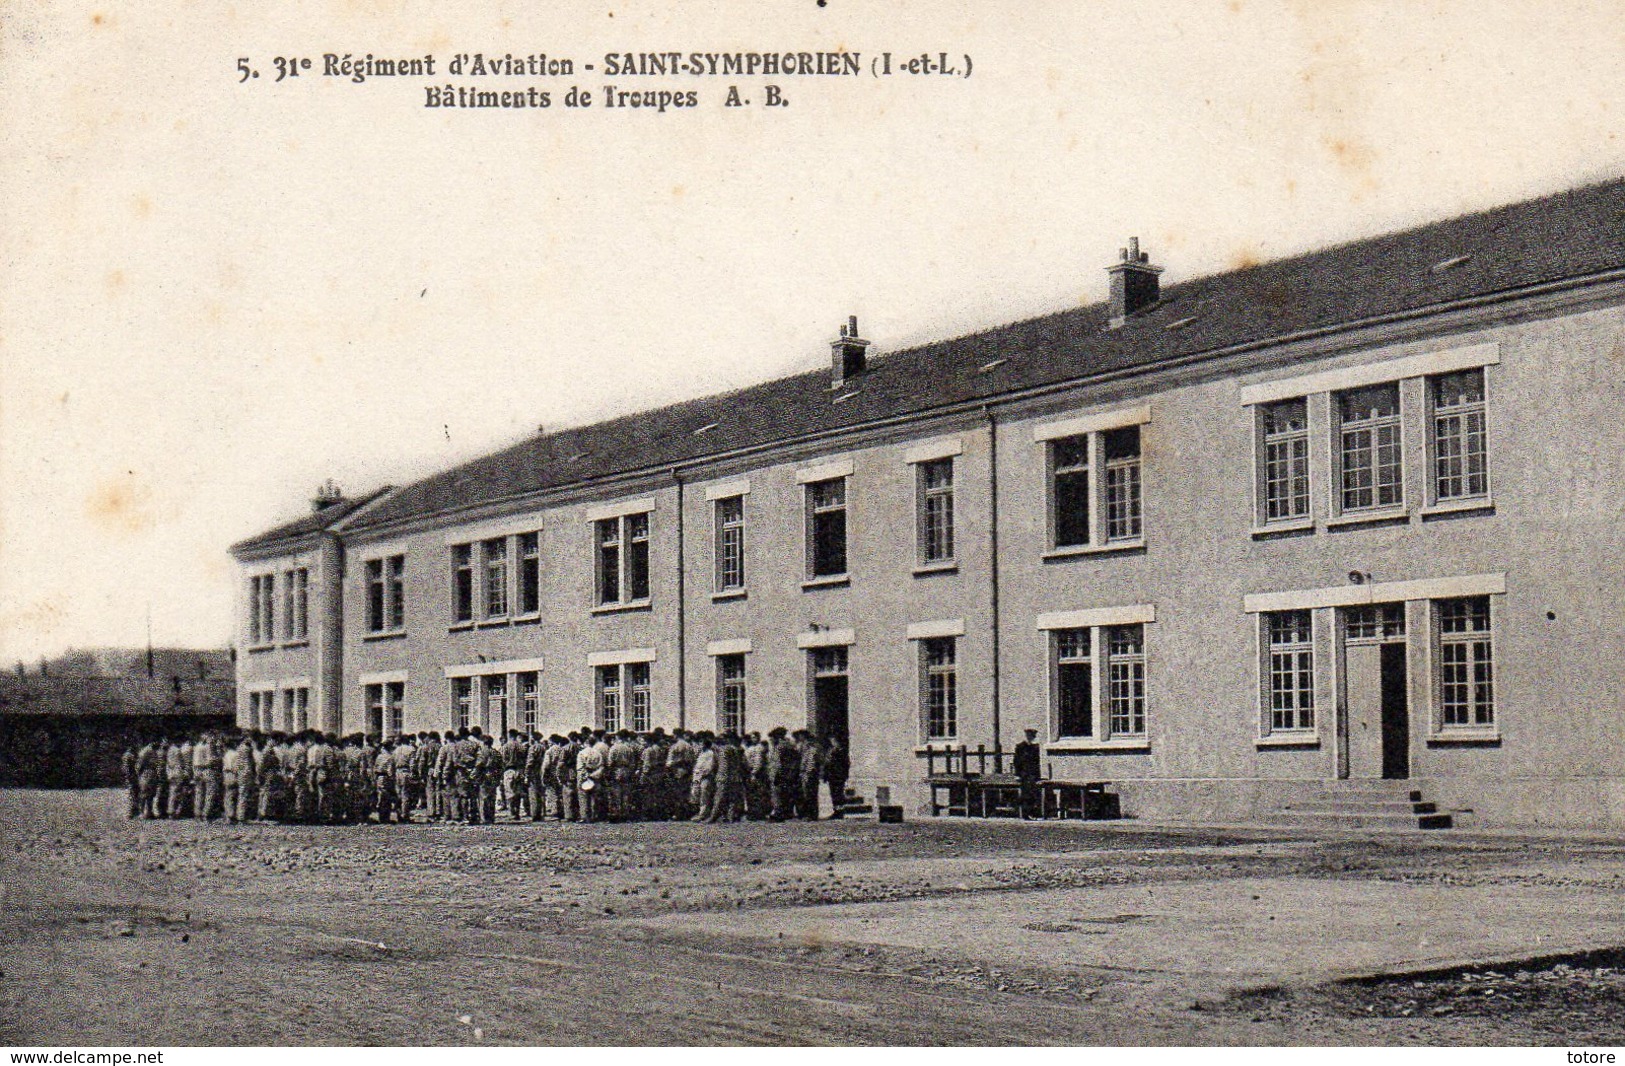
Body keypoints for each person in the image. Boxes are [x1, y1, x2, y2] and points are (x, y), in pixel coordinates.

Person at [1013, 727, 1043, 820]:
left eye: (1033, 736)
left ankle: (1033, 812)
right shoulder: (1020, 747)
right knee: (1026, 794)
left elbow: (1037, 762)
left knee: (1034, 793)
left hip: (1033, 774)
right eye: (1030, 736)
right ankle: (1026, 813)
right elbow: (1017, 761)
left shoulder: (1035, 748)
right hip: (1024, 775)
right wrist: (1017, 774)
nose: (1031, 738)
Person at [797, 731, 823, 821]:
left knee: (810, 795)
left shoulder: (812, 750)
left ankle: (812, 815)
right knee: (807, 795)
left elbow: (811, 765)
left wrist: (807, 774)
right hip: (806, 774)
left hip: (810, 775)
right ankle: (810, 814)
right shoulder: (806, 751)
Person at [690, 735, 717, 822]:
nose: (700, 745)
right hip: (697, 776)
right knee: (695, 793)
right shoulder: (701, 753)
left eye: (701, 743)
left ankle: (703, 814)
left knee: (704, 795)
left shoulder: (710, 753)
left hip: (705, 776)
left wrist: (703, 774)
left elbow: (710, 766)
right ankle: (699, 812)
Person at [823, 735, 850, 819]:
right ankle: (836, 810)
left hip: (838, 775)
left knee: (838, 794)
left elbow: (846, 764)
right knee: (834, 794)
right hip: (832, 775)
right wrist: (825, 775)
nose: (832, 742)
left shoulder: (841, 751)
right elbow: (827, 764)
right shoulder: (830, 751)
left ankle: (840, 812)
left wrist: (844, 775)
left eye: (833, 740)